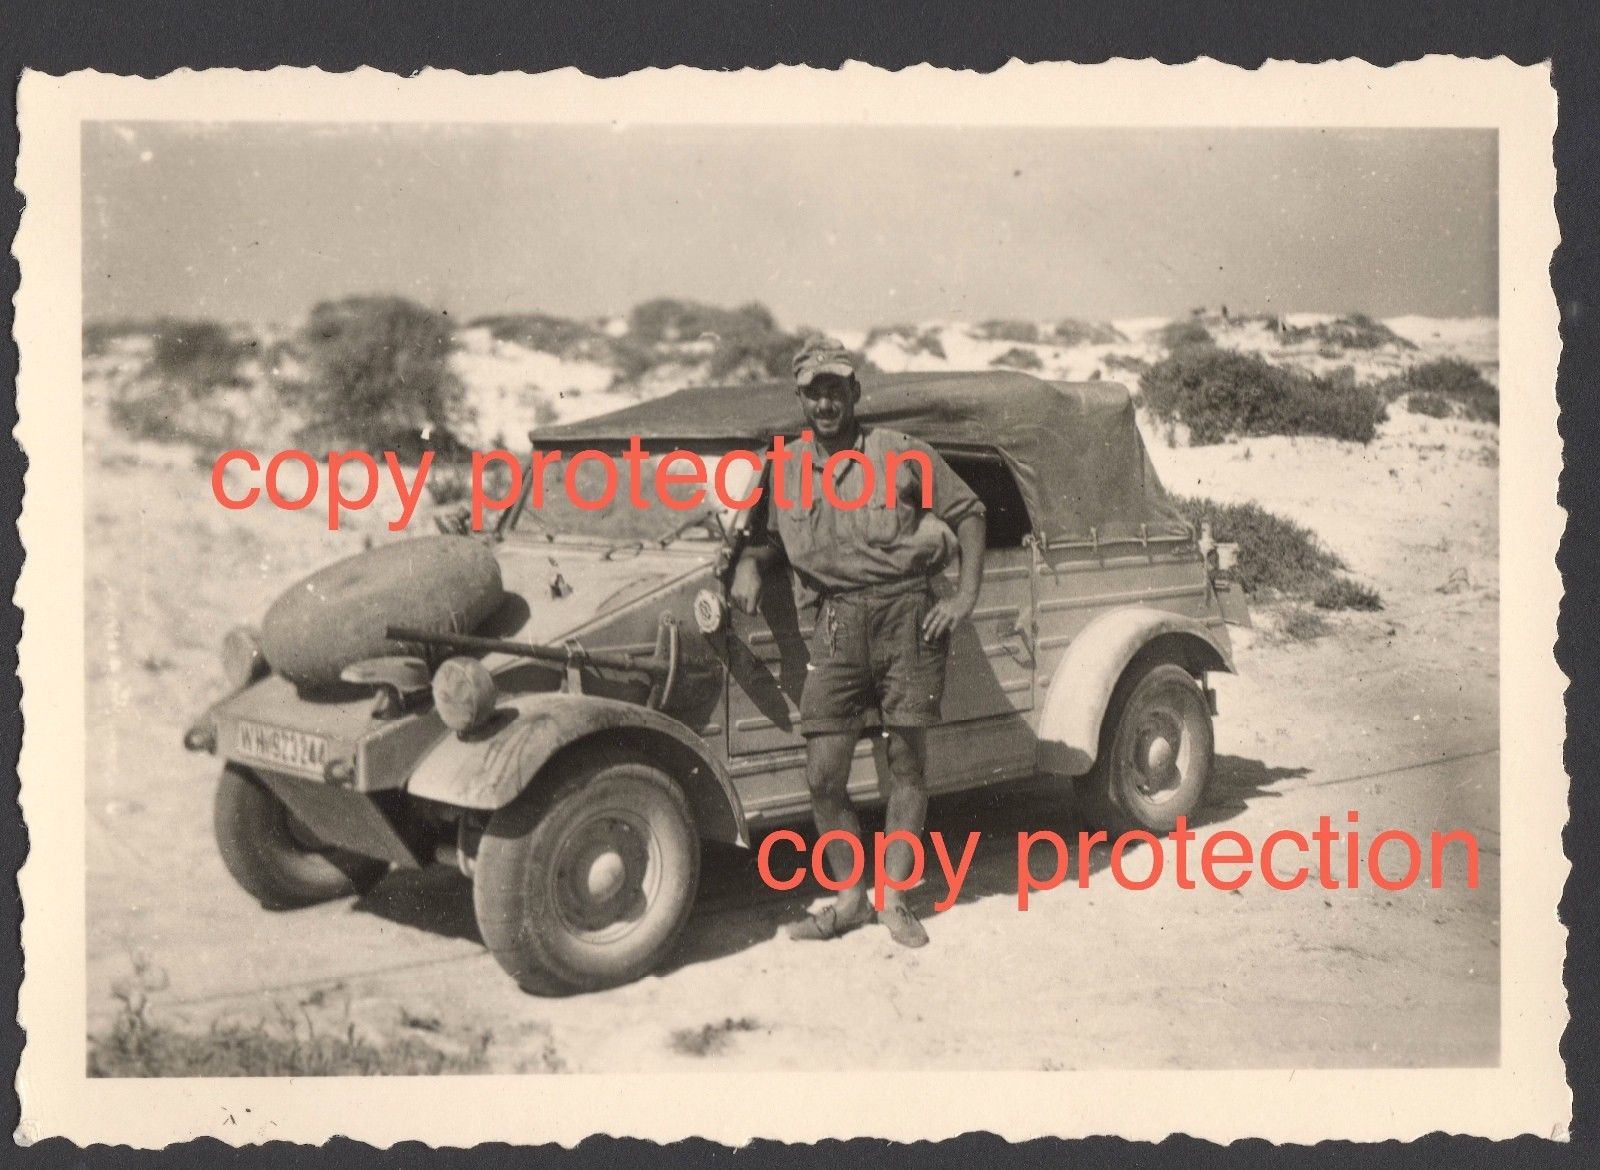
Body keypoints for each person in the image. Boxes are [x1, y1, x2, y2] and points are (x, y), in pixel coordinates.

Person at [730, 336, 987, 947]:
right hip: (837, 622)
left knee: (906, 765)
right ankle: (850, 900)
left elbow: (969, 512)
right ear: (800, 398)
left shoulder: (899, 452)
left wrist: (963, 597)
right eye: (814, 392)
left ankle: (894, 899)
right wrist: (752, 563)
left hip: (908, 616)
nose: (825, 403)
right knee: (823, 774)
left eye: (835, 390)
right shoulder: (786, 467)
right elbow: (775, 538)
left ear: (855, 392)